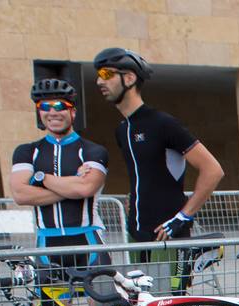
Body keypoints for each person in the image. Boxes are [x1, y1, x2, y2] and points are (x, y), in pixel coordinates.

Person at [7, 78, 116, 306]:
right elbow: (20, 194)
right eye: (45, 107)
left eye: (60, 106)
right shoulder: (26, 151)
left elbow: (88, 187)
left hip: (88, 241)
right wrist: (70, 187)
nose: (52, 112)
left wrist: (41, 178)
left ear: (72, 111)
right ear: (38, 112)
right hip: (48, 245)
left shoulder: (91, 149)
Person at [95, 48, 225, 250]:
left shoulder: (162, 123)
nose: (99, 82)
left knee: (167, 283)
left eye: (106, 74)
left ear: (129, 78)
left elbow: (213, 170)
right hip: (136, 234)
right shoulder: (122, 129)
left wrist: (182, 218)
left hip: (167, 236)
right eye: (98, 75)